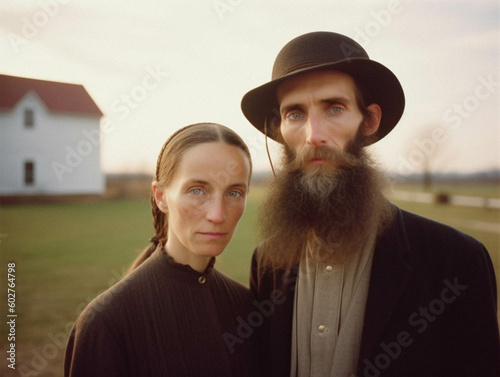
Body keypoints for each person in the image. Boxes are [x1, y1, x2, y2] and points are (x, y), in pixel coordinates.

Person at [241, 31, 500, 377]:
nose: (314, 134)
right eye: (295, 114)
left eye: (334, 108)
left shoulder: (457, 262)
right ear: (279, 128)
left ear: (370, 121)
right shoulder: (267, 264)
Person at [64, 122, 260, 377]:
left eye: (234, 192)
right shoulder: (106, 323)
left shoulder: (248, 309)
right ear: (160, 196)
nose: (217, 214)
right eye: (197, 190)